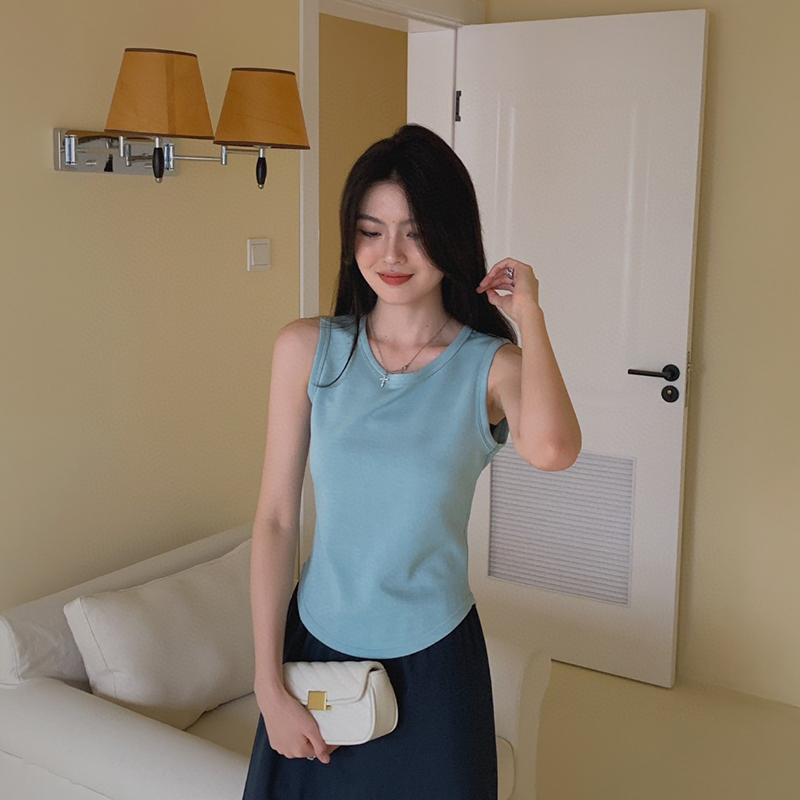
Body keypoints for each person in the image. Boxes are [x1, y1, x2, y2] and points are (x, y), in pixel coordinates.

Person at [241, 123, 525, 799]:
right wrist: (267, 683)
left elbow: (553, 450)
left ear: (451, 237)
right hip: (317, 649)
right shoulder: (306, 349)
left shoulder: (492, 367)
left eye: (415, 232)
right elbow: (277, 519)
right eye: (371, 231)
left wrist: (530, 317)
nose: (390, 254)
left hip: (437, 663)